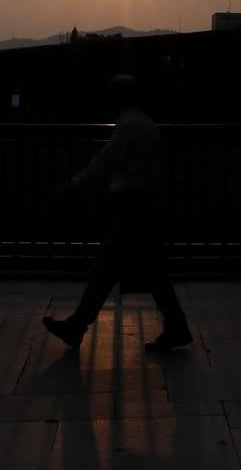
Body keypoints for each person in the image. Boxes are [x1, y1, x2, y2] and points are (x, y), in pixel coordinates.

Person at [42, 75, 193, 352]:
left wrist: (74, 185)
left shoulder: (128, 128)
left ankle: (175, 327)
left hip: (132, 205)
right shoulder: (145, 124)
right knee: (120, 268)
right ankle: (79, 325)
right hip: (145, 203)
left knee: (129, 269)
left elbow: (105, 161)